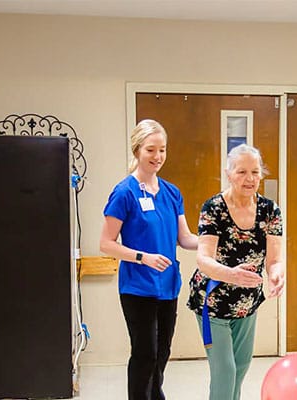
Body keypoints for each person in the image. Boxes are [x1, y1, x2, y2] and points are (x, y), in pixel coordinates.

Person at [99, 119, 198, 400]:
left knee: (162, 352)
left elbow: (185, 238)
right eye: (151, 150)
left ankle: (155, 396)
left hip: (167, 285)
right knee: (145, 353)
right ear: (137, 151)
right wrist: (143, 257)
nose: (157, 157)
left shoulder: (171, 192)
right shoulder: (124, 193)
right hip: (137, 287)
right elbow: (106, 244)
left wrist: (212, 241)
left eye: (162, 150)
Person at [187, 144, 285, 400]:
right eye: (241, 172)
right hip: (213, 301)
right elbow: (203, 259)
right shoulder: (214, 208)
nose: (249, 179)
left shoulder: (270, 210)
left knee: (240, 368)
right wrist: (231, 275)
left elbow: (274, 258)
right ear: (229, 174)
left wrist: (276, 273)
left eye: (255, 172)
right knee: (225, 371)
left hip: (246, 302)